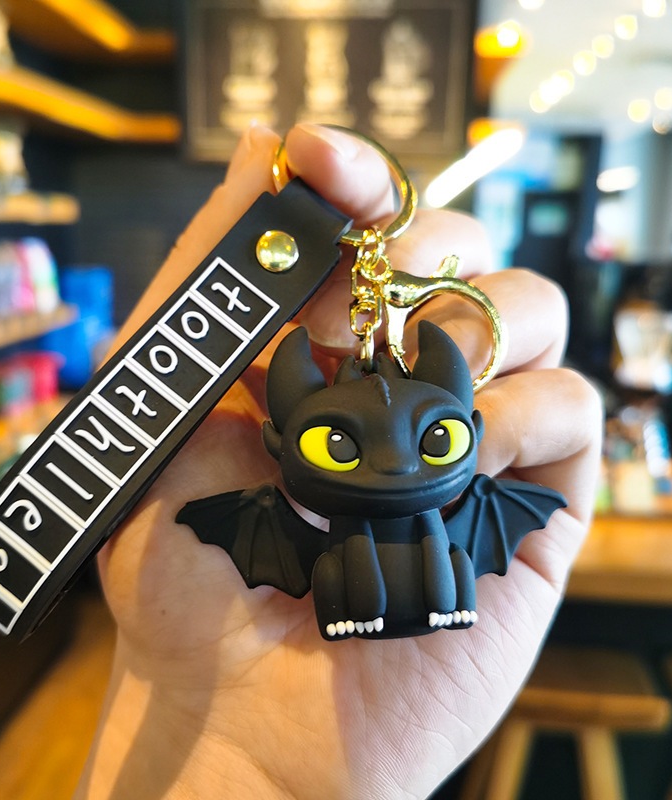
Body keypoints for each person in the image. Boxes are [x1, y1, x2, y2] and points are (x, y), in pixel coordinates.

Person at [74, 123, 603, 799]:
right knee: (343, 565)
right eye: (337, 446)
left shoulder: (461, 492)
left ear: (472, 430)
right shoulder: (271, 524)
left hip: (435, 583)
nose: (395, 468)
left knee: (438, 553)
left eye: (437, 442)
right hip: (335, 589)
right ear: (278, 444)